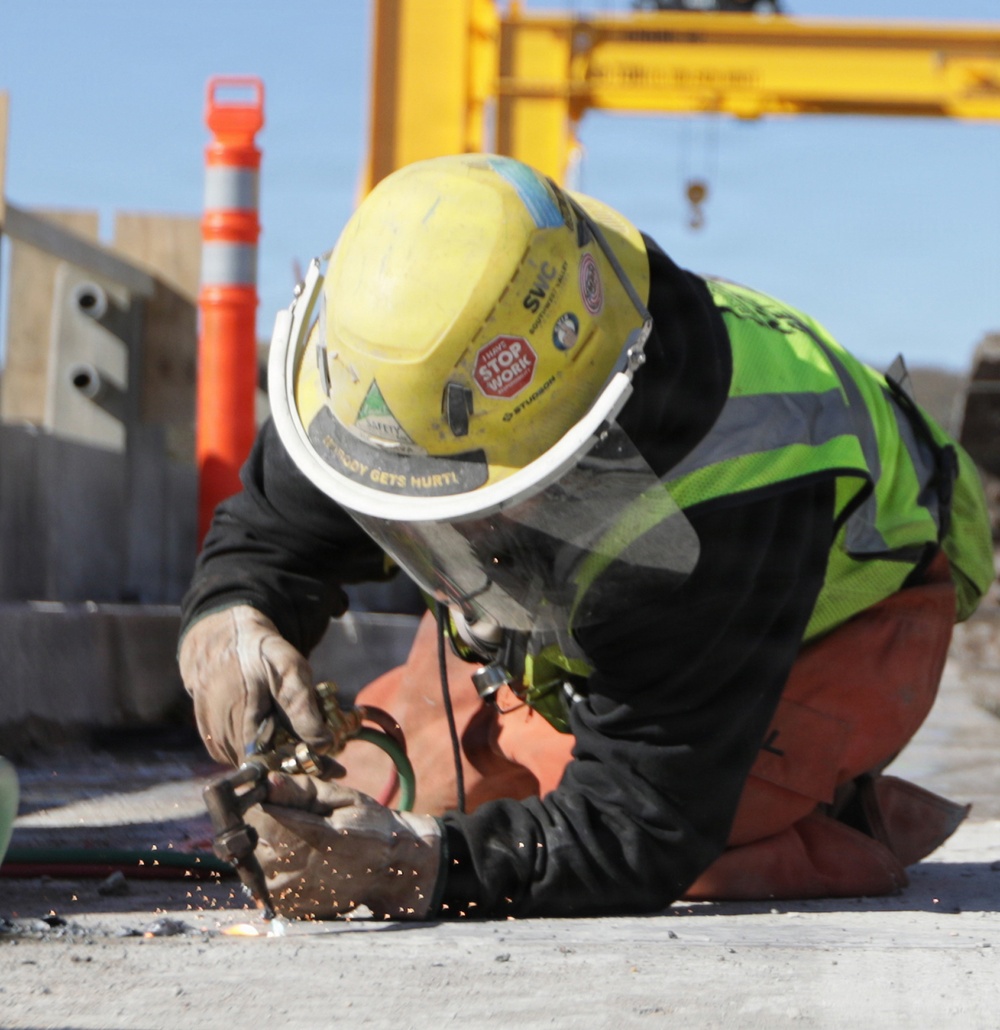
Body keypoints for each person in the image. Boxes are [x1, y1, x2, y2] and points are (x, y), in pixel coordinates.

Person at [179, 153, 994, 921]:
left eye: (467, 505)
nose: (447, 535)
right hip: (608, 608)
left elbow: (643, 820)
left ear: (580, 445)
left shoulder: (739, 477)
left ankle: (829, 818)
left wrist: (412, 868)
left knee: (669, 842)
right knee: (393, 782)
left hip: (836, 620)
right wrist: (231, 621)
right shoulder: (378, 373)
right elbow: (274, 530)